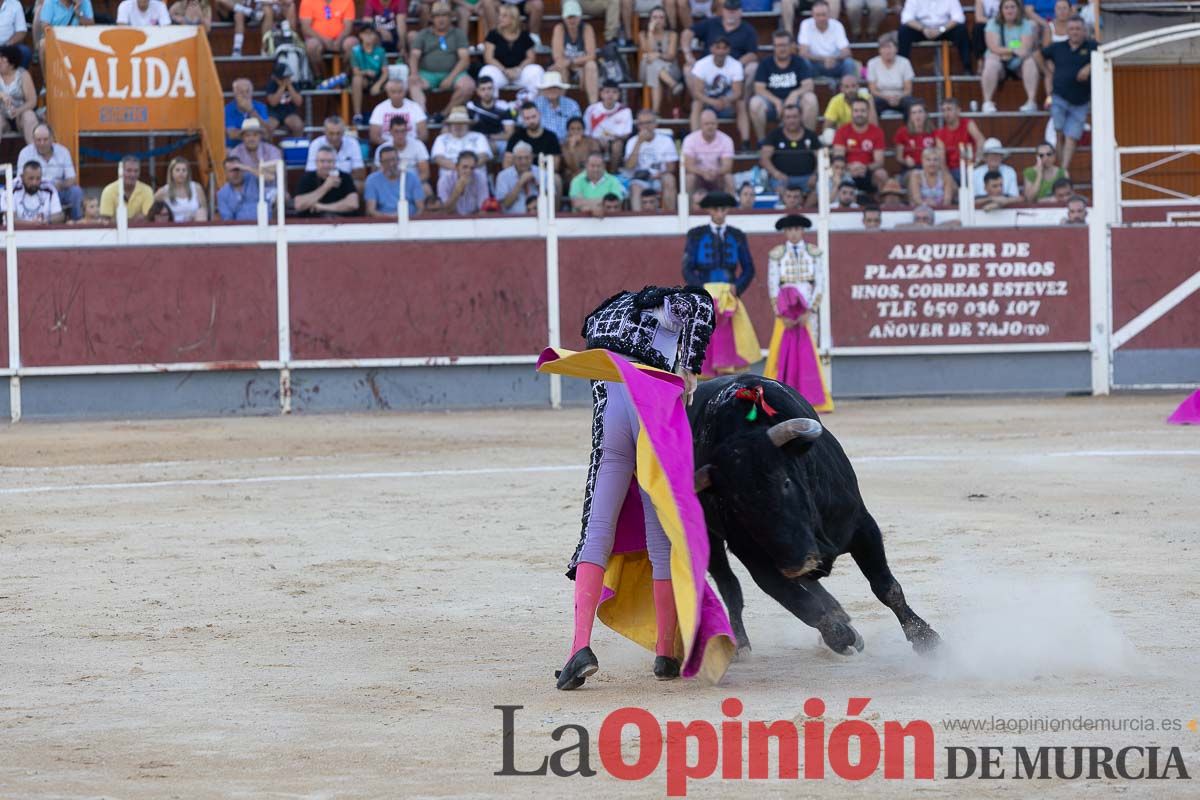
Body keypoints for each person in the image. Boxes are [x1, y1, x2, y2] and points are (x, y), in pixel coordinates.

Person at [550, 283, 716, 690]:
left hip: (608, 403)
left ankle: (579, 648)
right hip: (649, 396)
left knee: (597, 530)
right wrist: (690, 368)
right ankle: (664, 651)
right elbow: (699, 306)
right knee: (659, 520)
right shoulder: (668, 304)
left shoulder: (604, 315)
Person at [682, 191, 759, 376]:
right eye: (716, 209)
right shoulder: (696, 234)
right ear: (709, 210)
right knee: (706, 342)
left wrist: (737, 287)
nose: (719, 213)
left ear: (727, 211)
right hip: (706, 294)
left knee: (727, 341)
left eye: (723, 209)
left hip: (728, 297)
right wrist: (701, 290)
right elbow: (687, 269)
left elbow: (749, 268)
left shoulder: (737, 235)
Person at [764, 214, 833, 412]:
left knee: (809, 352)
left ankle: (811, 399)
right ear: (785, 232)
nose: (793, 233)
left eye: (797, 229)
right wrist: (781, 314)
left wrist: (810, 311)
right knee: (781, 353)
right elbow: (772, 285)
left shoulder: (815, 253)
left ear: (802, 231)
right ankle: (779, 397)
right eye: (790, 229)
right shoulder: (776, 254)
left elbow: (820, 284)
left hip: (807, 313)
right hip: (785, 314)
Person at [1036, 14, 1096, 171]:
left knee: (1072, 137)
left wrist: (1090, 66)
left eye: (1078, 29)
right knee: (1059, 133)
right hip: (1059, 96)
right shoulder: (1058, 47)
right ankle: (1060, 169)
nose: (1075, 32)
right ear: (1067, 31)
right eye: (1072, 29)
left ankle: (1063, 170)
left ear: (1084, 31)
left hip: (1081, 101)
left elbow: (1107, 54)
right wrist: (1047, 72)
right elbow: (1037, 54)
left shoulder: (1092, 47)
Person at [408, 3, 475, 122]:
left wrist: (450, 78)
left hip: (453, 73)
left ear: (450, 17)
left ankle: (443, 115)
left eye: (444, 15)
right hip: (427, 74)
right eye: (437, 16)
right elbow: (414, 56)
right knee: (412, 83)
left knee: (468, 86)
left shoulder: (458, 33)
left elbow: (464, 59)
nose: (441, 19)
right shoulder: (424, 34)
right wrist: (414, 74)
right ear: (432, 18)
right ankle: (423, 116)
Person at [751, 30, 818, 141]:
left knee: (811, 99)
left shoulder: (799, 62)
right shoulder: (765, 63)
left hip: (794, 103)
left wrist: (794, 94)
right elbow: (759, 88)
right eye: (778, 45)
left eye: (784, 45)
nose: (782, 49)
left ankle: (808, 140)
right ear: (774, 47)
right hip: (772, 105)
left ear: (791, 46)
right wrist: (776, 101)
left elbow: (809, 85)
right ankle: (762, 142)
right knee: (755, 103)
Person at [688, 37, 749, 150]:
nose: (721, 51)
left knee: (741, 103)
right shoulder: (702, 64)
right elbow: (697, 92)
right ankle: (695, 141)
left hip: (726, 104)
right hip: (707, 103)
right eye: (718, 48)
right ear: (712, 49)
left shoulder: (735, 65)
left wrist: (725, 100)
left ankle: (745, 142)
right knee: (696, 104)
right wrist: (713, 102)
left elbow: (738, 92)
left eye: (724, 48)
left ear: (728, 50)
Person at [18, 123, 84, 221]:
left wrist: (60, 185)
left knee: (76, 192)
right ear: (33, 140)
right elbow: (20, 178)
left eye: (45, 139)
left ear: (52, 138)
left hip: (58, 190)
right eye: (38, 140)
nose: (42, 143)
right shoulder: (25, 153)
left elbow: (72, 178)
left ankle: (77, 222)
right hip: (34, 190)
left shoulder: (63, 151)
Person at [982, 0, 1039, 113]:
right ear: (1001, 10)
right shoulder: (993, 23)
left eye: (1013, 7)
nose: (1009, 10)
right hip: (999, 62)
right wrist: (1013, 50)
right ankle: (987, 102)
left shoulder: (1025, 24)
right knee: (991, 62)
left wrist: (1007, 52)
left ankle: (1031, 101)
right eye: (1006, 7)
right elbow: (993, 47)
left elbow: (1025, 48)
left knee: (1030, 61)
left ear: (1018, 9)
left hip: (1019, 62)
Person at [479, 4, 544, 103]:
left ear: (513, 18)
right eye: (499, 15)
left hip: (520, 72)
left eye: (504, 16)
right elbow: (488, 57)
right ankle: (492, 107)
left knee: (537, 70)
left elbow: (531, 57)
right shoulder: (493, 34)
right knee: (486, 71)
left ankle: (532, 104)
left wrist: (518, 69)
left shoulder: (524, 35)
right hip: (500, 72)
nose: (500, 18)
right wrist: (505, 70)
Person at [682, 0, 759, 80]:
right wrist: (688, 55)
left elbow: (752, 54)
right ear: (723, 11)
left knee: (752, 67)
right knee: (688, 69)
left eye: (734, 11)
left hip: (733, 68)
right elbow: (687, 33)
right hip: (708, 65)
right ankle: (697, 93)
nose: (731, 14)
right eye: (728, 11)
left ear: (740, 12)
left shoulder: (748, 30)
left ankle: (742, 92)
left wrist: (736, 65)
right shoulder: (711, 23)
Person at [759, 104, 822, 197]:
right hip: (782, 178)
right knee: (778, 189)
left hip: (807, 178)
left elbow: (821, 158)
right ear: (783, 119)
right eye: (788, 117)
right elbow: (764, 159)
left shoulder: (811, 135)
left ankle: (804, 211)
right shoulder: (774, 135)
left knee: (818, 192)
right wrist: (776, 173)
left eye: (795, 117)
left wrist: (815, 175)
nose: (791, 120)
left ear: (800, 117)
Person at [623, 109, 678, 212]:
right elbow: (629, 166)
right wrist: (639, 143)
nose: (645, 126)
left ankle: (669, 215)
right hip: (640, 179)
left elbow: (671, 167)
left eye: (648, 123)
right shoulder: (632, 142)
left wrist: (659, 175)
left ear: (655, 124)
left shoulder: (666, 141)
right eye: (641, 124)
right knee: (635, 187)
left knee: (670, 179)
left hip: (659, 177)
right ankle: (638, 219)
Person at [898, 0, 971, 72]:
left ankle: (967, 67)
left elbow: (959, 17)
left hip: (944, 30)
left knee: (961, 30)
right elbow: (906, 18)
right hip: (922, 30)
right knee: (904, 31)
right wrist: (923, 29)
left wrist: (941, 30)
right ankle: (902, 70)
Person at [681, 108, 735, 205]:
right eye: (707, 124)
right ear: (700, 125)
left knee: (729, 178)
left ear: (717, 124)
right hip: (698, 176)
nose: (710, 127)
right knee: (689, 179)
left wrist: (716, 172)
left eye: (713, 123)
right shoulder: (690, 140)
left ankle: (730, 211)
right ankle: (688, 212)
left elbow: (727, 166)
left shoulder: (726, 140)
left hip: (718, 176)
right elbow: (688, 165)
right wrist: (703, 173)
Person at [832, 97, 886, 191]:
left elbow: (879, 161)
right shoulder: (842, 131)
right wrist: (849, 168)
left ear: (868, 112)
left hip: (868, 171)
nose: (859, 114)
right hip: (846, 171)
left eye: (863, 111)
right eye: (856, 111)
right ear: (851, 112)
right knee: (836, 173)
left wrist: (865, 168)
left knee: (881, 174)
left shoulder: (877, 132)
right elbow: (838, 157)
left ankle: (879, 203)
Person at [797, 1, 858, 82]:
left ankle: (848, 90)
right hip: (815, 64)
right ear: (812, 14)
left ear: (829, 14)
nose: (821, 18)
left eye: (824, 14)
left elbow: (847, 52)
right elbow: (803, 53)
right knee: (804, 62)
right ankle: (807, 88)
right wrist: (824, 59)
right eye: (818, 15)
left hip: (834, 63)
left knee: (849, 63)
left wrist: (833, 59)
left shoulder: (837, 25)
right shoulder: (805, 24)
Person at [552, 1, 599, 106]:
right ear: (564, 18)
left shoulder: (587, 28)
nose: (572, 20)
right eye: (569, 17)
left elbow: (592, 55)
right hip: (567, 68)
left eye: (574, 17)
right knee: (560, 68)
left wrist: (574, 63)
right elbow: (558, 58)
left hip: (581, 67)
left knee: (591, 65)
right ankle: (559, 106)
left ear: (580, 17)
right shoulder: (559, 29)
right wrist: (573, 65)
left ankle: (593, 106)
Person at [638, 6, 683, 116]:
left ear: (666, 21)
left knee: (653, 67)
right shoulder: (642, 34)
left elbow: (671, 56)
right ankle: (673, 85)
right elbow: (647, 51)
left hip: (670, 70)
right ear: (650, 20)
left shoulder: (672, 35)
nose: (658, 20)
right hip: (646, 70)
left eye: (661, 17)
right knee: (651, 63)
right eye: (655, 17)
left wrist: (657, 55)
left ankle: (655, 112)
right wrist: (650, 32)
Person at [299, 0, 357, 78]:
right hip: (317, 39)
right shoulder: (307, 1)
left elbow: (348, 27)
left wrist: (338, 40)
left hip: (341, 39)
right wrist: (324, 39)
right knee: (311, 46)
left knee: (352, 43)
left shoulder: (347, 1)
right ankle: (321, 78)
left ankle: (344, 77)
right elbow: (306, 28)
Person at [294, 145, 360, 216]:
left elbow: (353, 204)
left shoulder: (345, 177)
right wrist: (326, 186)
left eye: (329, 161)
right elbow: (299, 205)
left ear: (335, 163)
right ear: (316, 163)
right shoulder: (307, 178)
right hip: (312, 223)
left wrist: (321, 207)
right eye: (322, 161)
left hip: (341, 222)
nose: (326, 165)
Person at [307, 116, 367, 189]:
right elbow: (310, 172)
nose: (335, 137)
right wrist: (329, 182)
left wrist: (341, 179)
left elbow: (360, 173)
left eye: (338, 133)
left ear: (344, 132)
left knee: (360, 185)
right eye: (331, 133)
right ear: (324, 132)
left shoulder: (353, 143)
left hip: (346, 182)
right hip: (321, 183)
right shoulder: (315, 144)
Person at [365, 144, 425, 216]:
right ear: (380, 162)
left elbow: (420, 208)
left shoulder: (412, 177)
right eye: (386, 161)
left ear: (399, 160)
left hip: (410, 219)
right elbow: (371, 210)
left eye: (393, 159)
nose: (391, 164)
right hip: (383, 221)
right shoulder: (372, 180)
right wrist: (390, 218)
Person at [585, 80, 632, 169]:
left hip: (616, 140)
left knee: (617, 145)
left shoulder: (625, 110)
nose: (610, 95)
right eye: (607, 92)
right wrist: (599, 140)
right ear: (601, 94)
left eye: (614, 92)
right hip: (596, 140)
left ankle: (613, 173)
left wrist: (612, 139)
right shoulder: (592, 109)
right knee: (593, 144)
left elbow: (626, 134)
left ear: (619, 95)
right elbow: (587, 133)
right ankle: (597, 171)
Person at [866, 32, 915, 117]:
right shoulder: (872, 63)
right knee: (871, 105)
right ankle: (875, 130)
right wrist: (887, 97)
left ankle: (910, 130)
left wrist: (898, 97)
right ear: (879, 50)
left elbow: (908, 90)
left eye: (889, 47)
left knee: (912, 105)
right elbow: (873, 90)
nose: (887, 51)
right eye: (884, 48)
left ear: (896, 49)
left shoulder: (905, 62)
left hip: (900, 97)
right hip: (880, 97)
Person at [368, 78, 429, 145]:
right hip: (387, 148)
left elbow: (423, 135)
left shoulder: (415, 107)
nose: (396, 95)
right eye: (393, 92)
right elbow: (374, 136)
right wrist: (391, 147)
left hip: (411, 146)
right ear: (388, 93)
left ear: (405, 92)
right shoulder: (379, 108)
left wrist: (409, 146)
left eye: (400, 91)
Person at [430, 106, 492, 173]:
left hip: (474, 175)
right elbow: (439, 159)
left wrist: (468, 170)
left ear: (468, 125)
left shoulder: (479, 137)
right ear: (450, 125)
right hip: (450, 178)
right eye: (455, 123)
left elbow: (484, 156)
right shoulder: (441, 139)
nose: (458, 126)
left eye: (461, 123)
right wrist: (460, 170)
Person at [0, 162, 63, 226]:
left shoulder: (49, 188)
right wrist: (32, 224)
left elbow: (59, 216)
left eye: (38, 178)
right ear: (22, 177)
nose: (34, 183)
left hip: (43, 231)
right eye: (31, 178)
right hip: (15, 233)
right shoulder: (11, 188)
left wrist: (47, 221)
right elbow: (10, 219)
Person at [349, 24, 388, 127]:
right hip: (364, 79)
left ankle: (388, 115)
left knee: (391, 85)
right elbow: (356, 71)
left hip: (378, 79)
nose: (369, 37)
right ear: (361, 36)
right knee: (356, 79)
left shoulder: (380, 51)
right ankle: (357, 114)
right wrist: (366, 72)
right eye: (366, 34)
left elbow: (385, 72)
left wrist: (378, 85)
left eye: (371, 34)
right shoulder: (355, 51)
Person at [468, 76, 516, 157]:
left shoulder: (504, 107)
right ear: (477, 91)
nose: (486, 92)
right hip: (476, 140)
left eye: (489, 88)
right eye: (483, 89)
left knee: (510, 150)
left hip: (498, 140)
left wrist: (489, 137)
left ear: (494, 89)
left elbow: (510, 134)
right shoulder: (471, 106)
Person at [934, 96, 984, 173]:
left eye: (949, 109)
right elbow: (942, 160)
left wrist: (977, 161)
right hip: (952, 171)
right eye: (943, 110)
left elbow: (980, 140)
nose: (946, 113)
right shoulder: (940, 133)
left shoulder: (968, 124)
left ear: (958, 110)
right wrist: (948, 177)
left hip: (971, 167)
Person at [100, 155, 155, 223]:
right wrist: (134, 220)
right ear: (120, 172)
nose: (132, 174)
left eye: (136, 171)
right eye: (129, 170)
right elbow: (106, 221)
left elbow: (148, 218)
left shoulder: (147, 190)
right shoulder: (108, 191)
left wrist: (117, 221)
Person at [153, 156, 208, 222]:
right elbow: (152, 212)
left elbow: (205, 209)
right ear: (171, 172)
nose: (181, 173)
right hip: (172, 228)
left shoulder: (197, 188)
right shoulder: (163, 192)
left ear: (188, 173)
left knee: (201, 212)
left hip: (194, 227)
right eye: (177, 170)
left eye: (184, 170)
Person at [0, 45, 37, 145]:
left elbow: (32, 101)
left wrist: (18, 111)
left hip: (19, 116)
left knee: (29, 115)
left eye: (2, 59)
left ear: (12, 63)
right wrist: (1, 95)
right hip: (2, 116)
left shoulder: (23, 75)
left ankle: (35, 154)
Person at [893, 100, 941, 175]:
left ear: (925, 114)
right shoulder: (902, 132)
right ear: (910, 116)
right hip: (911, 169)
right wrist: (905, 161)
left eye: (920, 112)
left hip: (931, 169)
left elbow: (939, 153)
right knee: (915, 176)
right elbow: (899, 157)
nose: (917, 115)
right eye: (914, 113)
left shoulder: (935, 132)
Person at [534, 71, 583, 142]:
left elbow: (578, 126)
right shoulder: (536, 104)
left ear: (560, 89)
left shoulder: (571, 105)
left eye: (555, 87)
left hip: (567, 143)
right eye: (548, 88)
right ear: (544, 90)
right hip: (541, 143)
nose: (552, 90)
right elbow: (524, 123)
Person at [224, 78, 273, 147]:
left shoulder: (261, 107)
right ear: (234, 94)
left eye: (247, 91)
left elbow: (267, 133)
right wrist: (256, 134)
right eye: (241, 92)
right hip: (235, 148)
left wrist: (251, 111)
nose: (245, 95)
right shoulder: (227, 109)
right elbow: (232, 134)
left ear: (252, 92)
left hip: (258, 147)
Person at [437, 150, 490, 215]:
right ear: (457, 167)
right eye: (465, 167)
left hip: (474, 218)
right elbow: (444, 211)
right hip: (452, 219)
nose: (468, 171)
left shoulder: (480, 178)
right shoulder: (445, 180)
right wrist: (457, 191)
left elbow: (483, 209)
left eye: (472, 168)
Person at [494, 141, 541, 213]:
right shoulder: (503, 176)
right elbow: (505, 205)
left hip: (539, 218)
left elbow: (551, 202)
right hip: (512, 219)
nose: (524, 162)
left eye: (527, 158)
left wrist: (539, 185)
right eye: (520, 158)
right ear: (513, 159)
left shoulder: (541, 173)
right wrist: (520, 183)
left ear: (532, 158)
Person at [264, 64, 305, 137]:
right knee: (268, 127)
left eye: (288, 77)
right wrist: (282, 87)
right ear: (275, 78)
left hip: (289, 112)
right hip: (273, 113)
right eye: (283, 78)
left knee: (298, 126)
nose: (286, 80)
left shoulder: (294, 85)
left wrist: (289, 87)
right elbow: (273, 103)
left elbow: (299, 102)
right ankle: (268, 147)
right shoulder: (271, 85)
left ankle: (295, 146)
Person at [560, 115, 601, 185]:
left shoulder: (592, 142)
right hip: (571, 176)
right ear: (568, 131)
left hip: (590, 172)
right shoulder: (564, 146)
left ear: (583, 130)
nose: (576, 132)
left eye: (579, 129)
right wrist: (571, 148)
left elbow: (596, 161)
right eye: (572, 129)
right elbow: (573, 168)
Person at [216, 157, 260, 221]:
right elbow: (227, 220)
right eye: (231, 171)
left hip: (265, 224)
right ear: (225, 173)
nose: (235, 174)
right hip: (241, 228)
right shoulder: (222, 194)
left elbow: (271, 177)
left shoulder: (252, 178)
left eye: (237, 169)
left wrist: (248, 168)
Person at [0, 0, 29, 69]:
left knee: (25, 52)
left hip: (7, 46)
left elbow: (21, 31)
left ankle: (18, 78)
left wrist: (7, 44)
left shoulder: (15, 4)